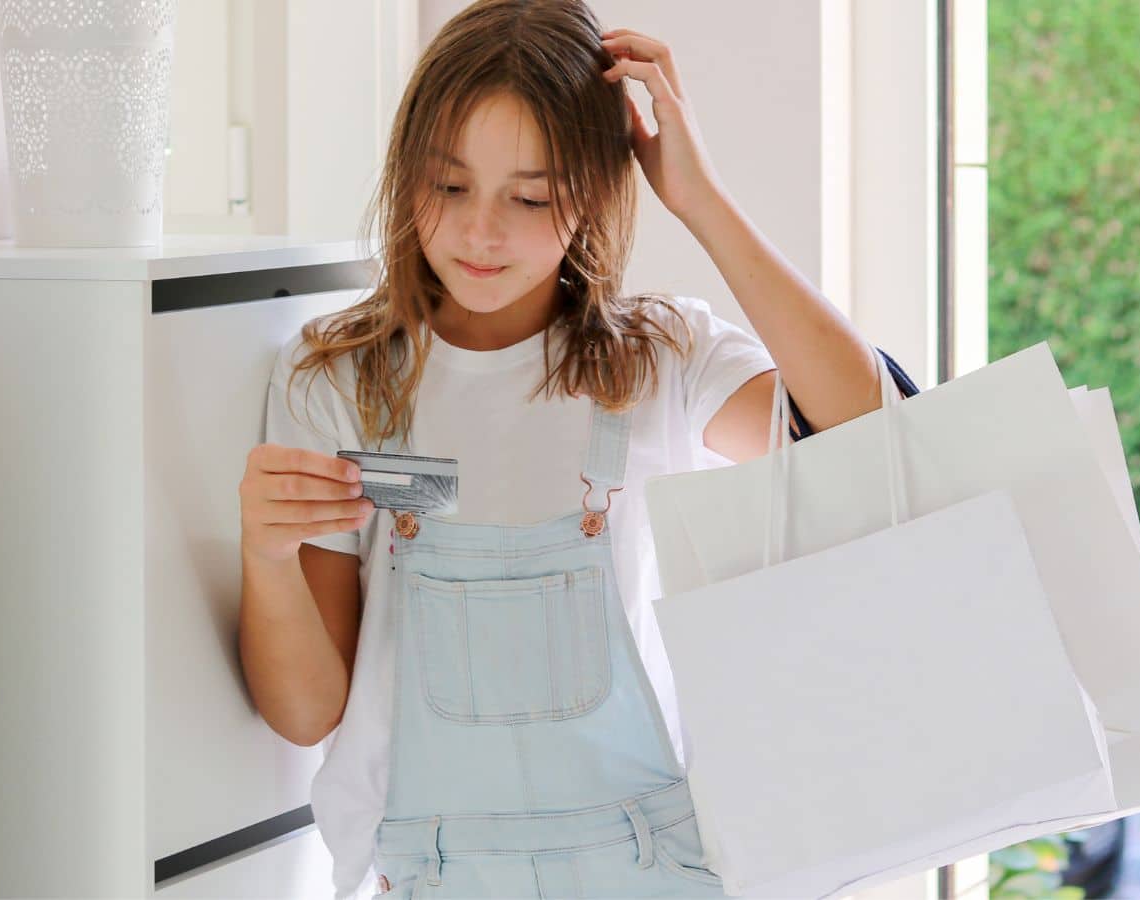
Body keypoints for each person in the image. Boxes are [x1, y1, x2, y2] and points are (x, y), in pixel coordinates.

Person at [237, 1, 920, 896]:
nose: (481, 231)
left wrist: (699, 200)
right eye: (448, 186)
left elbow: (872, 431)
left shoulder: (663, 358)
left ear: (595, 192)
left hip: (656, 869)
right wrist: (267, 555)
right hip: (423, 873)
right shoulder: (336, 378)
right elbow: (305, 715)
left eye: (529, 197)